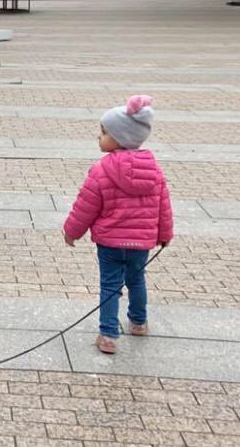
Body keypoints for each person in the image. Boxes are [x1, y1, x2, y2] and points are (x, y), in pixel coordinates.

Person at [62, 95, 174, 355]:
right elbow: (163, 206)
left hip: (110, 242)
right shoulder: (154, 170)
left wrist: (71, 231)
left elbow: (86, 206)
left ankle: (109, 334)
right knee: (136, 280)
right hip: (141, 242)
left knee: (110, 284)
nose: (99, 137)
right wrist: (165, 234)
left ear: (120, 137)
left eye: (103, 132)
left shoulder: (101, 170)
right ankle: (138, 322)